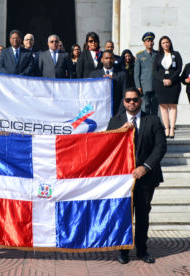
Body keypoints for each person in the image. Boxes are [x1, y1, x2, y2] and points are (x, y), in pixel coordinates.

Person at [107, 87, 166, 265]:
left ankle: (142, 250)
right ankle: (123, 251)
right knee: (124, 215)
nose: (131, 102)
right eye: (128, 100)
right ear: (123, 102)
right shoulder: (115, 121)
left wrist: (145, 167)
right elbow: (107, 146)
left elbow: (160, 147)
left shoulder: (153, 120)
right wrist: (119, 132)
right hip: (123, 180)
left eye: (135, 99)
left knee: (142, 214)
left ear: (140, 101)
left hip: (146, 177)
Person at [153, 36, 182, 139]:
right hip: (161, 84)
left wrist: (171, 80)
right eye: (163, 43)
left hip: (173, 83)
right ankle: (166, 128)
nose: (165, 44)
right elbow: (155, 71)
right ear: (161, 45)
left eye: (167, 42)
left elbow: (179, 69)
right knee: (163, 106)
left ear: (170, 43)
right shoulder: (157, 56)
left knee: (173, 106)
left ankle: (172, 128)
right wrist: (163, 80)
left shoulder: (176, 54)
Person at [90, 50, 128, 115]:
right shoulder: (94, 75)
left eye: (111, 58)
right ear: (102, 60)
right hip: (98, 112)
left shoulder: (122, 75)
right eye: (106, 58)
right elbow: (91, 94)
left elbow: (125, 95)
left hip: (116, 112)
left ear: (114, 60)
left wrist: (119, 113)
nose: (109, 60)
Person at [134, 32, 158, 115]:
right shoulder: (140, 55)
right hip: (145, 86)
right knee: (145, 106)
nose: (150, 43)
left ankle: (155, 125)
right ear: (144, 43)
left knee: (155, 107)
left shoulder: (158, 54)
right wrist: (138, 86)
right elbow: (136, 73)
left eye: (151, 41)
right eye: (148, 41)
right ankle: (146, 124)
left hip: (156, 85)